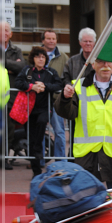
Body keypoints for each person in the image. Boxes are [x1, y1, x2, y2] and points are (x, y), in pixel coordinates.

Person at [55, 59, 112, 189]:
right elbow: (67, 113)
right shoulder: (78, 86)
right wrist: (65, 98)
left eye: (109, 62)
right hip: (86, 158)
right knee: (86, 205)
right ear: (93, 64)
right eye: (101, 62)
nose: (105, 65)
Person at [14, 46, 63, 178]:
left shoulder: (51, 72)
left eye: (43, 57)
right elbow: (18, 83)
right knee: (31, 140)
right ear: (33, 58)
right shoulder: (28, 71)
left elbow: (59, 85)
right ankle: (36, 171)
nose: (40, 59)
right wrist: (32, 87)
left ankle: (39, 153)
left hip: (45, 108)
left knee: (41, 128)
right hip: (29, 110)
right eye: (38, 56)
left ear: (46, 59)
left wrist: (45, 87)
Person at [1, 21, 26, 169]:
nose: (3, 33)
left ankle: (3, 159)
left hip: (9, 98)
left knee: (8, 130)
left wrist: (3, 63)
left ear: (10, 34)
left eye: (6, 30)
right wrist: (11, 66)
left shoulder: (17, 50)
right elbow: (14, 66)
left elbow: (21, 67)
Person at [41, 29, 69, 159]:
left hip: (56, 101)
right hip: (39, 101)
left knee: (59, 132)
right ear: (43, 40)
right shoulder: (37, 54)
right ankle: (39, 160)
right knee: (39, 131)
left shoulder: (63, 57)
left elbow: (67, 77)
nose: (51, 41)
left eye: (53, 39)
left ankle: (60, 161)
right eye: (48, 38)